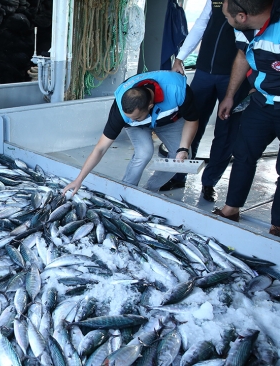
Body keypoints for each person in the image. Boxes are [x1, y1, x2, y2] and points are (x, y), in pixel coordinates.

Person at [161, 0, 250, 203]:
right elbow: (201, 24)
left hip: (234, 76)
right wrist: (180, 57)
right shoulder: (215, 1)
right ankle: (179, 175)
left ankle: (209, 182)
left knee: (226, 131)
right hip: (204, 73)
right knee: (191, 122)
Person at [62, 70, 199, 197]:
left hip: (168, 120)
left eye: (136, 117)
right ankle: (125, 191)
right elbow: (100, 148)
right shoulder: (122, 113)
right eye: (129, 117)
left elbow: (192, 120)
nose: (131, 120)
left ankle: (149, 191)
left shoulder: (178, 90)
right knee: (144, 153)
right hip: (140, 126)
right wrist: (79, 180)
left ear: (150, 106)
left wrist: (183, 148)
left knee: (180, 156)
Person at [212, 0, 280, 236]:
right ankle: (231, 209)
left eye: (227, 16)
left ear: (242, 16)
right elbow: (243, 56)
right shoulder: (243, 28)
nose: (225, 19)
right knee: (243, 153)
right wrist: (230, 95)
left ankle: (278, 225)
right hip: (261, 101)